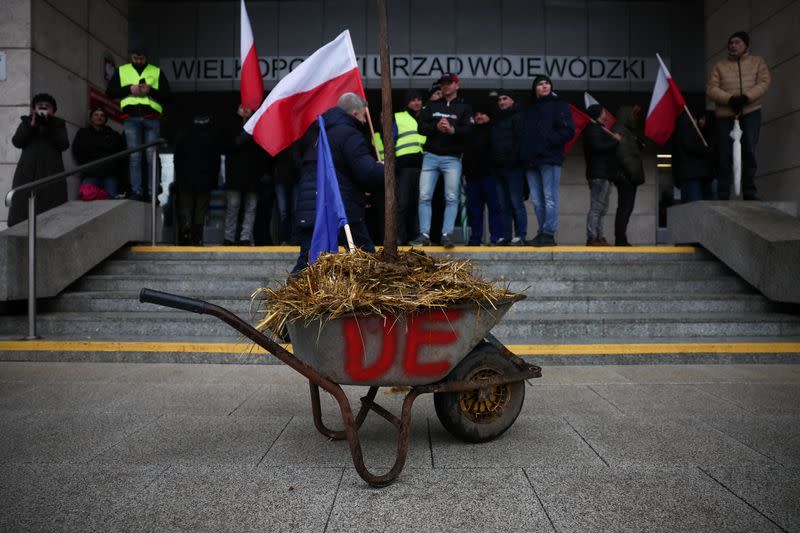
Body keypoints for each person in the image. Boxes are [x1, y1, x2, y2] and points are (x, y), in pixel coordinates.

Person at [291, 93, 385, 275]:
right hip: (342, 209)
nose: (365, 121)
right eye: (364, 116)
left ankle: (286, 300)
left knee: (307, 264)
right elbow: (365, 172)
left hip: (311, 207)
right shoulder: (349, 134)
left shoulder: (317, 131)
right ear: (355, 113)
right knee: (366, 263)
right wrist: (382, 169)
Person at [706, 31, 771, 200]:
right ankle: (723, 193)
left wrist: (747, 97)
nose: (733, 45)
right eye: (731, 43)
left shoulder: (757, 62)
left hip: (750, 112)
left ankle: (749, 192)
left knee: (749, 149)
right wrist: (730, 99)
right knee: (724, 153)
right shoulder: (719, 66)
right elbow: (711, 88)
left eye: (737, 42)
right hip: (725, 115)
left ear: (746, 45)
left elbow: (764, 82)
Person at [411, 73, 472, 248]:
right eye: (443, 84)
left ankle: (446, 234)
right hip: (430, 157)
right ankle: (424, 234)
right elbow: (421, 127)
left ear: (456, 85)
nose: (445, 86)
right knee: (424, 196)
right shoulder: (431, 105)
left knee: (452, 197)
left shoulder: (464, 107)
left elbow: (469, 130)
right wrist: (436, 127)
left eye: (449, 83)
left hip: (452, 159)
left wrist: (453, 130)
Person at [105, 42, 171, 201]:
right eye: (135, 57)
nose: (138, 60)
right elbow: (110, 93)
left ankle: (151, 192)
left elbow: (168, 96)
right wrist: (129, 89)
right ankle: (136, 192)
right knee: (135, 156)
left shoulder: (156, 72)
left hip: (152, 119)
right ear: (130, 56)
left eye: (141, 58)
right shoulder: (122, 71)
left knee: (151, 156)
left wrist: (150, 91)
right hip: (131, 119)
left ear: (146, 57)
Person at [519, 75, 575, 247]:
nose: (544, 86)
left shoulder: (559, 105)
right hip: (531, 160)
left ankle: (549, 233)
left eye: (547, 83)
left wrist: (548, 140)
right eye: (540, 84)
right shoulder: (529, 108)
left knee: (550, 197)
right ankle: (542, 232)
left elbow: (568, 131)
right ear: (535, 88)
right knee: (537, 200)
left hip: (549, 158)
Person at [7, 93, 69, 226]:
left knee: (51, 211)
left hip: (51, 172)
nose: (43, 109)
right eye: (40, 106)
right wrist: (31, 126)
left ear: (53, 110)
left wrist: (49, 126)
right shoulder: (26, 122)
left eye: (47, 107)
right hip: (27, 173)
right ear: (34, 109)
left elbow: (64, 144)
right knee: (22, 210)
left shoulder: (58, 124)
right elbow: (17, 141)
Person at [223, 105, 269, 245]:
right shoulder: (230, 126)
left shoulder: (257, 126)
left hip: (252, 176)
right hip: (235, 175)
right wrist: (241, 138)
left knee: (251, 207)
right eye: (243, 106)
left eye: (248, 107)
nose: (245, 109)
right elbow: (226, 146)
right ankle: (228, 237)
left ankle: (245, 237)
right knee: (233, 206)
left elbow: (262, 151)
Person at [173, 114, 223, 245]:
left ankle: (185, 237)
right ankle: (197, 239)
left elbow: (177, 160)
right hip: (205, 181)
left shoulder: (183, 136)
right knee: (200, 211)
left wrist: (178, 179)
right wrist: (214, 180)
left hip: (185, 181)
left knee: (186, 209)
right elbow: (216, 162)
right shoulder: (212, 138)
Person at [490, 88, 526, 245]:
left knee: (516, 202)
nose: (501, 102)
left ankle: (520, 235)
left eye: (505, 98)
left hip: (514, 168)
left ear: (512, 100)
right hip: (498, 169)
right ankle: (506, 236)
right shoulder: (497, 119)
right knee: (503, 205)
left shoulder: (519, 117)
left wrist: (513, 161)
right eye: (499, 100)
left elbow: (520, 143)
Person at [463, 106, 502, 246]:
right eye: (477, 114)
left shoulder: (494, 130)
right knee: (475, 210)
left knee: (494, 208)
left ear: (489, 116)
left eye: (483, 113)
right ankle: (475, 238)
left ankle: (496, 237)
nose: (479, 116)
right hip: (472, 177)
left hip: (489, 176)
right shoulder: (470, 132)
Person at [582, 104, 620, 246]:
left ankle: (599, 236)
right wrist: (614, 141)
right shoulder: (593, 130)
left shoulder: (598, 129)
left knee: (602, 209)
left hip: (604, 174)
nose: (606, 115)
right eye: (603, 112)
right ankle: (592, 237)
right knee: (597, 208)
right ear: (598, 114)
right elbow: (598, 147)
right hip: (598, 174)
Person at [393, 90, 426, 245]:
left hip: (424, 165)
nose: (416, 102)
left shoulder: (427, 116)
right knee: (403, 203)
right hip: (404, 167)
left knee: (420, 203)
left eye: (418, 99)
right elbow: (391, 141)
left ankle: (417, 236)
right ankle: (400, 237)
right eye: (413, 100)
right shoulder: (399, 117)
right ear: (407, 103)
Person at [72, 107, 125, 199]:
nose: (99, 117)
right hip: (90, 173)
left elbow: (120, 154)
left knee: (111, 202)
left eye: (102, 115)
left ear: (105, 119)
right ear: (91, 118)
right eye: (96, 115)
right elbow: (78, 151)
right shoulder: (83, 133)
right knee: (85, 201)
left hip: (110, 175)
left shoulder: (113, 135)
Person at [611, 105, 645, 246]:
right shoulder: (621, 131)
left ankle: (621, 238)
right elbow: (625, 156)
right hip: (626, 177)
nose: (635, 118)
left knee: (625, 208)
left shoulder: (628, 131)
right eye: (633, 115)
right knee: (625, 208)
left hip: (627, 177)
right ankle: (620, 239)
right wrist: (633, 175)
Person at [672, 110, 712, 203]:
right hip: (693, 175)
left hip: (685, 176)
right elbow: (690, 147)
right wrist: (706, 149)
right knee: (695, 206)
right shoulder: (687, 129)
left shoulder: (678, 132)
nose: (697, 122)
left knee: (688, 205)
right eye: (695, 119)